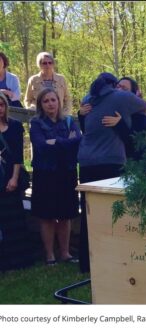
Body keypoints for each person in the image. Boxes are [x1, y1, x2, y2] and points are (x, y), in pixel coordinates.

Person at [78, 72, 146, 273]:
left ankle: (86, 262)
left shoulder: (87, 99)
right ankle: (112, 258)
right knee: (114, 211)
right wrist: (125, 116)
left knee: (88, 211)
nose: (119, 88)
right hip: (110, 161)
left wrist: (121, 123)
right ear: (112, 85)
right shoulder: (121, 98)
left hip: (85, 161)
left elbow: (86, 126)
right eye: (117, 85)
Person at [29, 88, 81, 265]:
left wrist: (55, 142)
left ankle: (65, 253)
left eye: (53, 100)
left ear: (59, 102)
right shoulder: (36, 123)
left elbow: (78, 141)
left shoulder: (68, 121)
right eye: (46, 101)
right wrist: (65, 142)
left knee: (66, 214)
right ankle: (50, 254)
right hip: (45, 173)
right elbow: (40, 146)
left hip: (66, 172)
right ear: (40, 105)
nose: (50, 103)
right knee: (47, 215)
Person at [0, 92, 35, 271]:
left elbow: (18, 157)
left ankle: (19, 259)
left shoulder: (14, 126)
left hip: (9, 178)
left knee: (14, 218)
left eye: (1, 105)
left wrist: (14, 178)